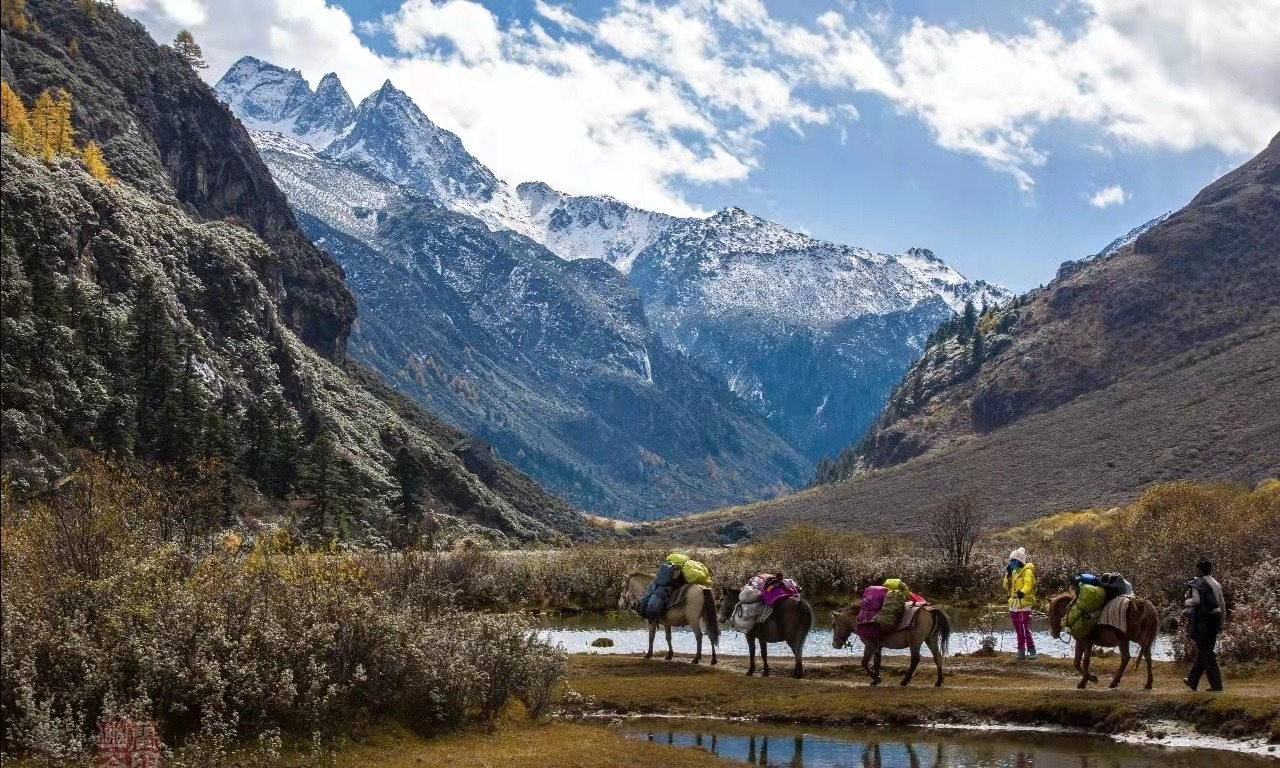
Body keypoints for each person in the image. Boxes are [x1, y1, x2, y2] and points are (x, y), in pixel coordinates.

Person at [1183, 559, 1225, 692]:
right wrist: (1222, 623)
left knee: (1206, 652)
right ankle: (1192, 681)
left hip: (1203, 621)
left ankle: (1216, 685)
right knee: (1204, 651)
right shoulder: (1216, 583)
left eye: (1197, 569)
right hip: (1215, 619)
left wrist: (1186, 602)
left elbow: (1196, 601)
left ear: (1200, 570)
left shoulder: (1198, 583)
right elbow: (1222, 604)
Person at [1003, 547, 1037, 660]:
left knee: (1024, 627)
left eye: (1013, 560)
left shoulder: (1027, 571)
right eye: (1011, 560)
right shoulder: (1013, 572)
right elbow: (1006, 586)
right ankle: (1021, 651)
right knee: (1018, 628)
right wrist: (1007, 576)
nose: (1011, 563)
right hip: (1014, 604)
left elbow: (1029, 584)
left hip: (1024, 602)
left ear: (1019, 561)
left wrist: (1022, 592)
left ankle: (1031, 650)